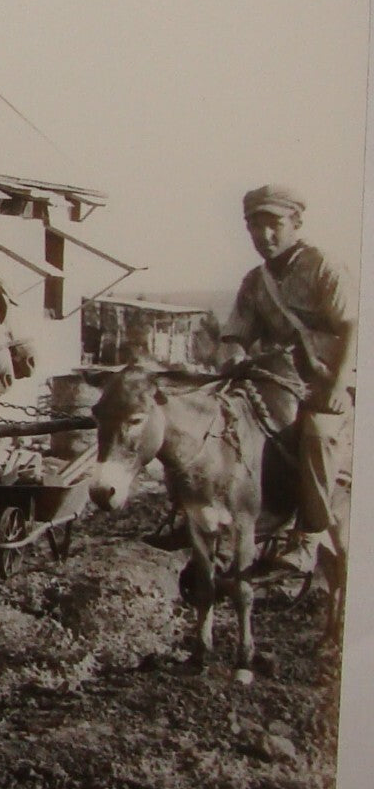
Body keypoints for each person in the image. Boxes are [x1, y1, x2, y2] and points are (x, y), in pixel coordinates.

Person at [146, 185, 357, 563]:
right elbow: (236, 334)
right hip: (275, 380)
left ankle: (310, 535)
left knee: (318, 435)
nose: (264, 236)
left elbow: (353, 328)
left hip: (322, 382)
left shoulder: (324, 266)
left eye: (274, 224)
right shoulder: (255, 282)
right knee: (199, 421)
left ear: (296, 222)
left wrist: (339, 385)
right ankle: (191, 511)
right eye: (254, 227)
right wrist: (232, 355)